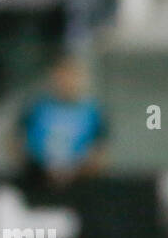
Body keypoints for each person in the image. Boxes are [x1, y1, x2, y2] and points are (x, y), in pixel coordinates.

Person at [15, 57, 109, 188]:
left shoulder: (92, 111)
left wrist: (78, 171)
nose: (67, 82)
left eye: (72, 76)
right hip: (36, 180)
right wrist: (37, 167)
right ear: (54, 77)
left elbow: (100, 150)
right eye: (62, 76)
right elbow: (17, 141)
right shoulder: (37, 107)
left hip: (80, 182)